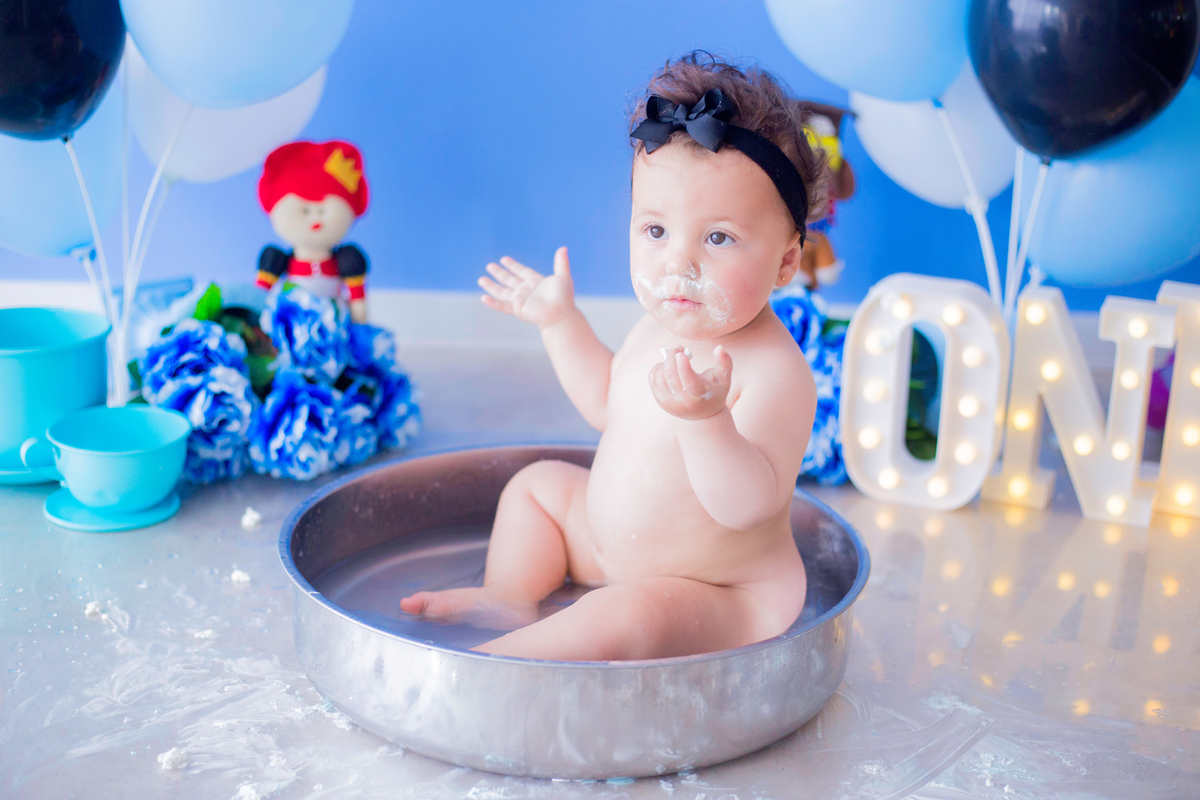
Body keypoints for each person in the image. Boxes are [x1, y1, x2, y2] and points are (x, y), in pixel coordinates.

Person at [401, 53, 825, 661]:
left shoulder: (773, 372)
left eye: (718, 238)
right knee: (538, 487)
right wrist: (560, 323)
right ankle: (508, 593)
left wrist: (707, 421)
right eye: (656, 231)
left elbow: (745, 507)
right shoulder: (655, 328)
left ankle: (505, 665)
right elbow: (606, 402)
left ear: (786, 262)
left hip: (715, 590)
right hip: (604, 547)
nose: (679, 264)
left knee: (624, 614)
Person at [255, 140, 372, 323]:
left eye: (322, 210)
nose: (315, 218)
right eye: (306, 211)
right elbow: (260, 296)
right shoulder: (277, 259)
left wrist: (359, 316)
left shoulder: (347, 260)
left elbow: (357, 299)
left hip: (333, 319)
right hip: (294, 318)